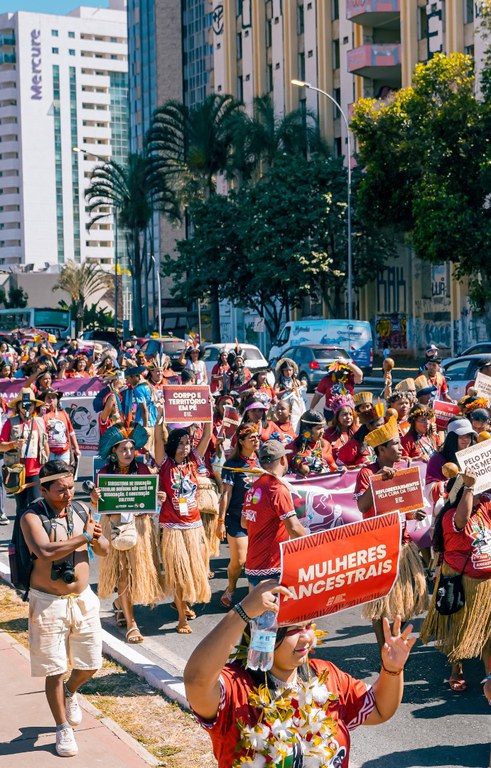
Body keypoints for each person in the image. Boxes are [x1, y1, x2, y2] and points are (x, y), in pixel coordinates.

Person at [184, 580, 417, 768]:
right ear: (263, 634)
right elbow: (196, 681)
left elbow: (378, 709)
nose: (306, 637)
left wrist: (392, 670)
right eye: (294, 629)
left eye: (308, 626)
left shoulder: (325, 675)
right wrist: (243, 612)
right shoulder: (236, 687)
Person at [20, 460, 109, 758]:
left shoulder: (82, 511)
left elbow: (104, 548)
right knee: (54, 669)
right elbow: (44, 551)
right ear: (44, 489)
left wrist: (97, 536)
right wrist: (83, 537)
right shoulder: (31, 517)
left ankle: (71, 691)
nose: (69, 493)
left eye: (71, 487)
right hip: (47, 603)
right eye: (61, 489)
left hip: (83, 599)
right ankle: (62, 727)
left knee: (91, 662)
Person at [355, 417, 428, 648]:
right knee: (381, 606)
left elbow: (401, 508)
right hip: (378, 546)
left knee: (407, 602)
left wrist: (413, 515)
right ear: (381, 449)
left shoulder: (402, 470)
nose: (400, 448)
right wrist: (378, 481)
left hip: (403, 545)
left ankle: (394, 643)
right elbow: (362, 507)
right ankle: (383, 650)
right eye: (395, 444)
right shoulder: (367, 473)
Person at [91, 424, 165, 644]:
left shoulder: (143, 471)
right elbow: (96, 506)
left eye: (131, 449)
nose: (128, 453)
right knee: (123, 573)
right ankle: (132, 623)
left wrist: (156, 499)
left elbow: (148, 502)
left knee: (135, 572)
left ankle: (120, 605)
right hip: (114, 527)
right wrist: (95, 497)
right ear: (114, 451)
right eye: (123, 449)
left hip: (139, 528)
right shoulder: (104, 473)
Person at [420, 471, 491, 693]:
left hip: (486, 582)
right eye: (475, 490)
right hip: (462, 581)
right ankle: (455, 670)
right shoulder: (452, 514)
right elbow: (463, 518)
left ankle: (490, 675)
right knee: (458, 629)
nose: (483, 492)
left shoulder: (485, 508)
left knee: (488, 632)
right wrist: (469, 488)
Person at [155, 421, 213, 634]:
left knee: (195, 570)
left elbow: (207, 435)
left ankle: (182, 603)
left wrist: (208, 412)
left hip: (195, 525)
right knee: (179, 573)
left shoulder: (193, 462)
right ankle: (181, 619)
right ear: (172, 445)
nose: (185, 447)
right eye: (180, 444)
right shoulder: (164, 463)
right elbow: (158, 439)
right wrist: (160, 417)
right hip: (173, 527)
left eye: (188, 443)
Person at [242, 440, 306, 587]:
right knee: (274, 610)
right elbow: (294, 528)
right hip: (272, 567)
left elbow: (244, 522)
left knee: (259, 609)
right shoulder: (277, 489)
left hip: (254, 564)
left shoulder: (254, 486)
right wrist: (315, 546)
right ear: (283, 459)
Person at [218, 424, 261, 608]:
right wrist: (220, 521)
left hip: (259, 519)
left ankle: (254, 592)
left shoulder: (262, 462)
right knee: (240, 560)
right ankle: (231, 587)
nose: (256, 440)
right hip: (236, 519)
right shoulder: (231, 465)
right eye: (251, 437)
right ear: (241, 441)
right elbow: (225, 493)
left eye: (258, 436)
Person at [0, 388, 48, 518]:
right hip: (16, 472)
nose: (28, 407)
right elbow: (1, 446)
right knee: (21, 508)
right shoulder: (10, 423)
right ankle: (19, 537)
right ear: (18, 405)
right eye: (24, 404)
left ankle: (33, 537)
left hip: (36, 472)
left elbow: (45, 445)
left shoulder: (40, 422)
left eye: (31, 404)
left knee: (36, 506)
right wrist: (13, 444)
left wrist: (47, 467)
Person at [425, 419, 477, 514]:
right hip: (447, 512)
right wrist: (455, 481)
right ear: (452, 437)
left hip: (472, 508)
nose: (466, 439)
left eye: (468, 436)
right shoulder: (437, 459)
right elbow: (430, 491)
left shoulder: (474, 456)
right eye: (461, 436)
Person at [38, 388, 81, 464]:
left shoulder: (63, 413)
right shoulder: (40, 415)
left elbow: (71, 432)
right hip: (48, 452)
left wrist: (76, 448)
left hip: (64, 452)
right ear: (43, 400)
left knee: (64, 474)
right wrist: (41, 414)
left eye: (54, 398)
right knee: (49, 474)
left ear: (57, 400)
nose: (51, 400)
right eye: (48, 398)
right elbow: (37, 430)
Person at [289, 410, 338, 475]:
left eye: (323, 427)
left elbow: (333, 467)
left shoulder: (326, 445)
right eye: (318, 428)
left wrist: (340, 469)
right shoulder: (292, 447)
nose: (322, 431)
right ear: (307, 429)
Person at [274, 356, 306, 431]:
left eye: (290, 370)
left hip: (296, 407)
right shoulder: (279, 382)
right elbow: (275, 393)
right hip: (285, 407)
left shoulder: (296, 382)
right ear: (282, 371)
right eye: (286, 370)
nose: (288, 372)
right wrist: (286, 391)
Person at [324, 394, 357, 463]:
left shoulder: (357, 432)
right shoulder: (328, 434)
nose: (348, 417)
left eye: (350, 414)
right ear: (337, 416)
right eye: (344, 414)